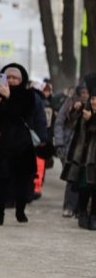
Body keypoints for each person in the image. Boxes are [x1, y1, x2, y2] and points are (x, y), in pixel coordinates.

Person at [0, 63, 47, 226]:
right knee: (0, 181)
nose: (12, 80)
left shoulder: (29, 96)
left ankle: (20, 210)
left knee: (23, 182)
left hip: (23, 146)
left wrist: (8, 98)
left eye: (15, 77)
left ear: (22, 79)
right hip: (1, 145)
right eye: (8, 77)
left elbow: (22, 113)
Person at [60, 73, 96, 229]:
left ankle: (93, 215)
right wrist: (75, 110)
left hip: (94, 158)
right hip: (83, 158)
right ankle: (82, 212)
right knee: (83, 187)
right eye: (93, 98)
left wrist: (92, 120)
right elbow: (70, 122)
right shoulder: (83, 109)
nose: (94, 101)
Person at [55, 84, 91, 217]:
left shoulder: (92, 105)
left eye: (87, 92)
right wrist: (59, 144)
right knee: (72, 176)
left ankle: (79, 208)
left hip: (86, 147)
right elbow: (59, 123)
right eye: (83, 93)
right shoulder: (69, 103)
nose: (85, 95)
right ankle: (69, 206)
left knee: (83, 177)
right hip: (69, 146)